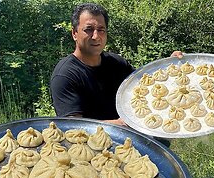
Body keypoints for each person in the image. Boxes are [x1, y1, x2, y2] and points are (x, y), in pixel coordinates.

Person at [50, 2, 183, 127]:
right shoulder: (65, 76)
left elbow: (146, 86)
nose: (96, 36)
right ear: (74, 33)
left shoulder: (116, 63)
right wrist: (120, 124)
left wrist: (168, 67)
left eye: (101, 29)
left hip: (133, 138)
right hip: (96, 148)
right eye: (89, 29)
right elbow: (74, 127)